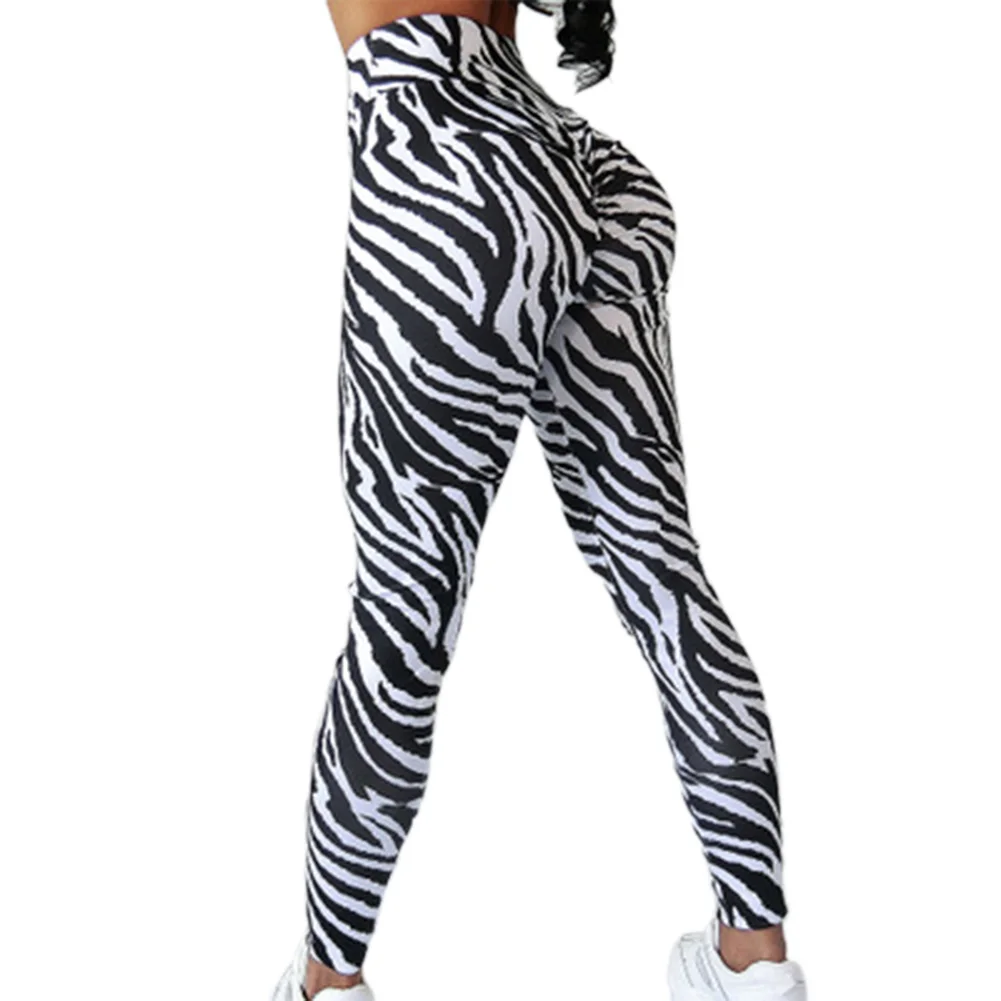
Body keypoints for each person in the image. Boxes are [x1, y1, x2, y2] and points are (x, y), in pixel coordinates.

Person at [272, 3, 808, 999]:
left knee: (403, 603)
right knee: (662, 571)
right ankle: (754, 959)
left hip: (442, 146)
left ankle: (324, 983)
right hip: (586, 172)